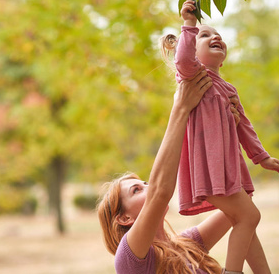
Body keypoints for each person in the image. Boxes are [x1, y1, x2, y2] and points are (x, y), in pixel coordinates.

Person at [159, 0, 279, 273]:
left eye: (217, 35)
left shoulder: (228, 89)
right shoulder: (193, 77)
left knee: (244, 220)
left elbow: (245, 127)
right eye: (205, 36)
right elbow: (182, 57)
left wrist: (261, 157)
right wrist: (189, 24)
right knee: (250, 216)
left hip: (230, 167)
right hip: (210, 168)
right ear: (192, 49)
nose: (215, 36)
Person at [98, 69, 243, 273]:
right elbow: (160, 192)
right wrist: (181, 108)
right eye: (136, 190)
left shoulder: (188, 244)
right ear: (124, 218)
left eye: (145, 183)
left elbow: (241, 204)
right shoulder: (131, 260)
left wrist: (226, 134)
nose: (148, 187)